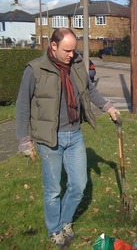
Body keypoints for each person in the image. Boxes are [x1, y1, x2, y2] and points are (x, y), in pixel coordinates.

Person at [16, 28, 120, 248]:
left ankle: (65, 221)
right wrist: (24, 139)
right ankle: (54, 229)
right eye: (67, 50)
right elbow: (23, 104)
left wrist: (108, 106)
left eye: (73, 50)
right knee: (53, 190)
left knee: (78, 185)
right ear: (53, 46)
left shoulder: (76, 65)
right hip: (49, 138)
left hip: (74, 134)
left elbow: (89, 90)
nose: (71, 54)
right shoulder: (35, 69)